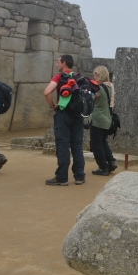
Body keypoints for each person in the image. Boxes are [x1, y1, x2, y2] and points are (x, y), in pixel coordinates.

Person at [43, 55, 85, 186]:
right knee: (77, 145)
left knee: (63, 144)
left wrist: (52, 107)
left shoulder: (59, 77)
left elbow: (47, 92)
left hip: (63, 113)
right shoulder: (78, 77)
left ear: (64, 63)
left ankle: (62, 177)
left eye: (58, 62)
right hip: (78, 115)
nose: (57, 65)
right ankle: (79, 176)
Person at [89, 65, 117, 176]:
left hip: (97, 120)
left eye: (95, 75)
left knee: (96, 144)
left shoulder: (98, 88)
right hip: (107, 120)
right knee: (102, 142)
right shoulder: (110, 87)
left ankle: (103, 167)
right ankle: (111, 161)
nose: (94, 77)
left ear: (99, 75)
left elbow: (91, 100)